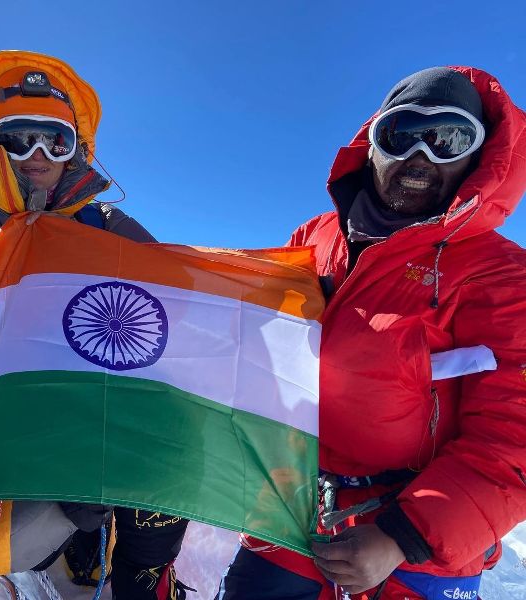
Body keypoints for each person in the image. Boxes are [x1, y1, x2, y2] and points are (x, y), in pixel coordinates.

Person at [218, 66, 526, 599]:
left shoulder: (502, 277)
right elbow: (263, 342)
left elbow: (512, 439)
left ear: (478, 159)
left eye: (449, 140)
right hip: (292, 512)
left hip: (414, 549)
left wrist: (402, 537)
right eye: (402, 135)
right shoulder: (314, 238)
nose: (421, 157)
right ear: (373, 145)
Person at [0, 50, 189, 600]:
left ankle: (142, 578)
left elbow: (171, 312)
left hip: (85, 425)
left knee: (160, 455)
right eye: (18, 138)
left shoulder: (111, 229)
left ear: (77, 148)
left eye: (55, 140)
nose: (37, 155)